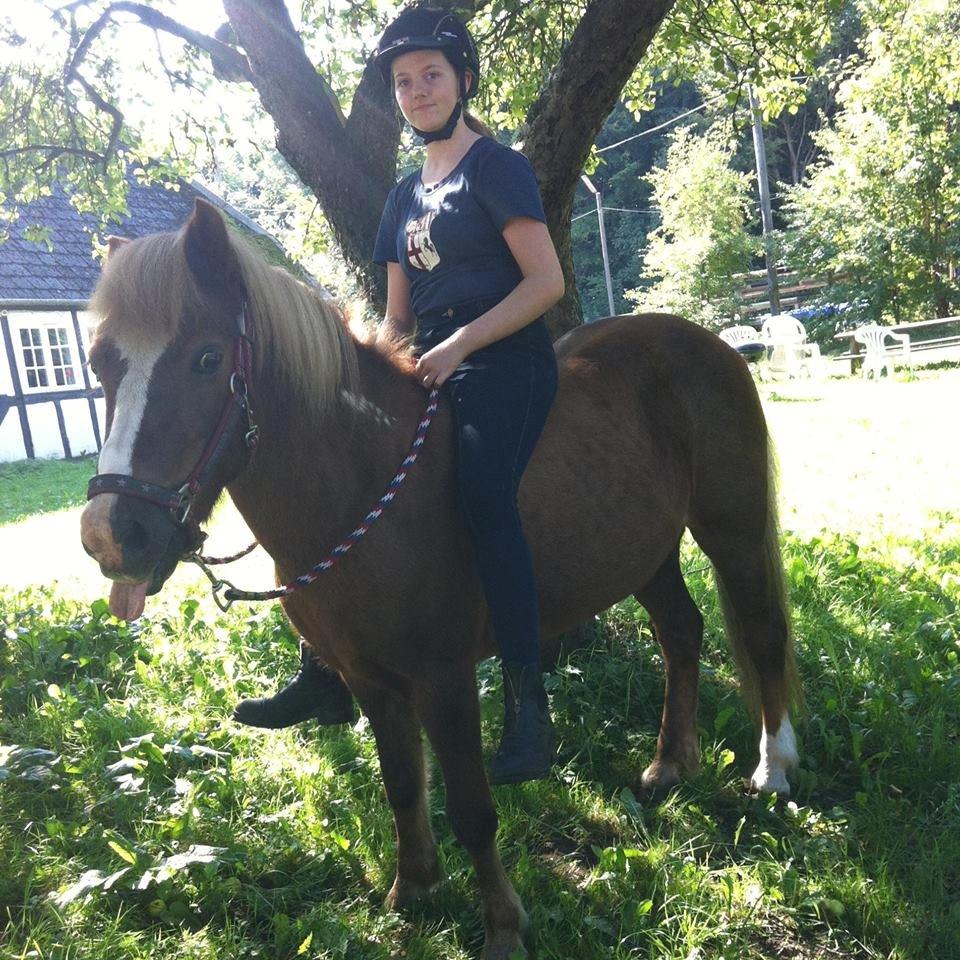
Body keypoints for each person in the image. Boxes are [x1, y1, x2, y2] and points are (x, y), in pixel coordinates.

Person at [234, 4, 564, 786]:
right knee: (334, 478)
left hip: (505, 363)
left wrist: (462, 345)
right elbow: (396, 314)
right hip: (431, 363)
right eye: (405, 81)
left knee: (484, 498)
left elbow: (546, 283)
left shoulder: (496, 168)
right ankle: (323, 671)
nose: (417, 92)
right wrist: (381, 368)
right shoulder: (400, 199)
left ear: (463, 81)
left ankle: (528, 699)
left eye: (432, 77)